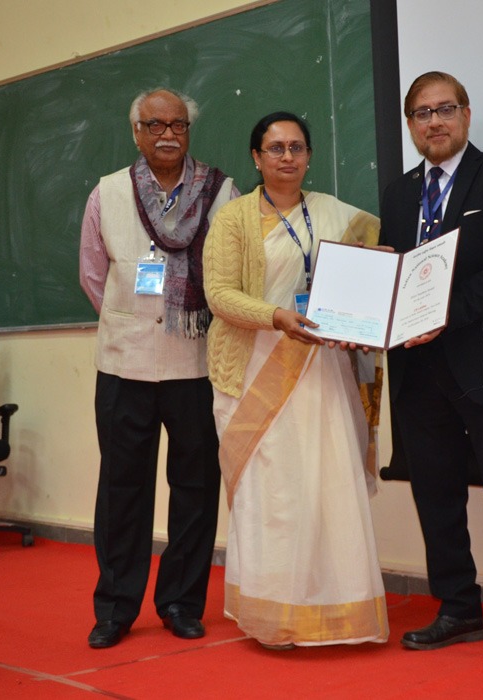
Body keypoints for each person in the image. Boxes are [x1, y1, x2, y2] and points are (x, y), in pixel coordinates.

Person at [202, 112, 389, 649]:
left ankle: (334, 608)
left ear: (309, 156)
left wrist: (374, 267)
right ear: (256, 158)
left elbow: (371, 255)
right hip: (255, 368)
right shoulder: (234, 219)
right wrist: (276, 316)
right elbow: (219, 294)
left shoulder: (332, 212)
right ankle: (271, 613)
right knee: (273, 496)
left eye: (297, 147)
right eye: (275, 148)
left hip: (324, 369)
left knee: (329, 487)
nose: (288, 157)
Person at [379, 71, 483, 663]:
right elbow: (392, 277)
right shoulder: (398, 195)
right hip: (418, 371)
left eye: (445, 108)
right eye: (422, 113)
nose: (434, 122)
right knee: (436, 496)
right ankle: (458, 609)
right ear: (411, 126)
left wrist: (444, 316)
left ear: (466, 114)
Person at [79, 87, 238, 649]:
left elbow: (231, 272)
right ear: (136, 132)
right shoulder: (108, 192)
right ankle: (116, 608)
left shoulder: (221, 193)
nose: (168, 133)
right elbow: (93, 275)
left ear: (188, 131)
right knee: (122, 488)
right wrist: (137, 321)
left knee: (195, 487)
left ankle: (180, 602)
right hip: (123, 363)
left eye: (178, 124)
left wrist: (179, 322)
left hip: (195, 363)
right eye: (155, 124)